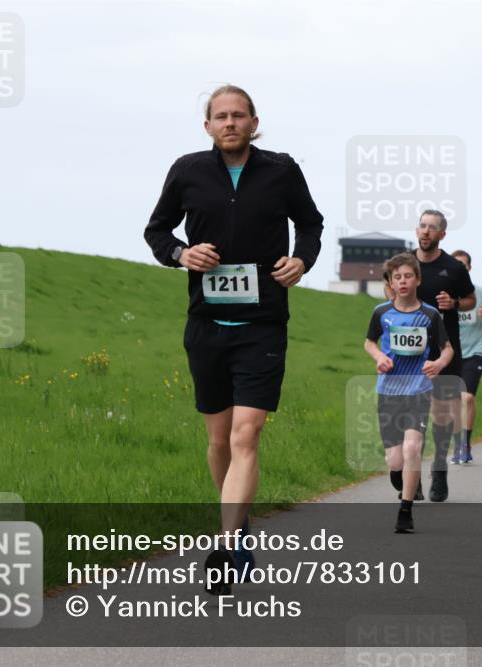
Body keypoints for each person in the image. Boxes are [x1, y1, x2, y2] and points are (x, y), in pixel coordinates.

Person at [144, 85, 323, 595]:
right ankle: (238, 521)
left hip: (264, 323)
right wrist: (181, 254)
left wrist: (301, 259)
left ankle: (225, 544)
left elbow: (310, 224)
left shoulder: (281, 170)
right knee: (219, 439)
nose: (230, 123)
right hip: (206, 325)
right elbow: (156, 231)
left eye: (238, 115)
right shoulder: (187, 170)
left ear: (253, 121)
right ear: (207, 126)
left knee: (247, 435)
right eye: (220, 116)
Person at [366, 254, 453, 533]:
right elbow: (368, 342)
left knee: (413, 448)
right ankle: (405, 482)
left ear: (417, 279)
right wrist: (379, 356)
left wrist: (438, 363)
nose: (403, 281)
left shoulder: (430, 315)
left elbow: (448, 349)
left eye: (408, 276)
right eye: (397, 277)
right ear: (391, 282)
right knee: (395, 460)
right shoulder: (381, 312)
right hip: (389, 392)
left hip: (419, 390)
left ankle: (405, 512)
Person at [405, 211, 476, 501]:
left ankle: (439, 468)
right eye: (422, 226)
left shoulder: (454, 268)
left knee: (442, 414)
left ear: (442, 235)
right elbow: (390, 289)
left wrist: (456, 303)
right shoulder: (405, 263)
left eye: (432, 228)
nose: (426, 232)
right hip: (409, 353)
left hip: (445, 352)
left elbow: (470, 298)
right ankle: (414, 477)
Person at [452, 250, 482, 463]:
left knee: (466, 397)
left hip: (474, 351)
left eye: (463, 265)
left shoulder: (479, 291)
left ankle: (466, 444)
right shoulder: (444, 293)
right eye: (455, 264)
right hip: (450, 353)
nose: (459, 268)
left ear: (469, 268)